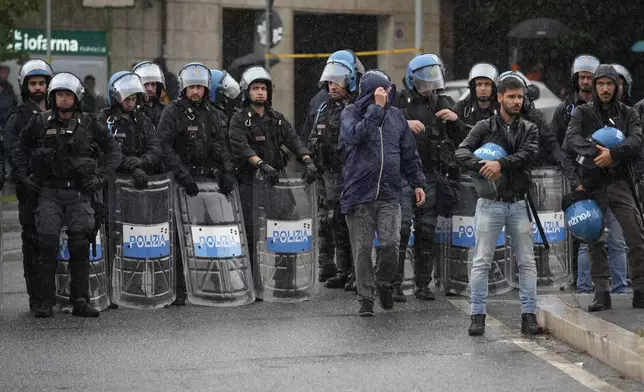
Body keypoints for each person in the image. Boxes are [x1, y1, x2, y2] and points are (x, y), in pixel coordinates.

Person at [14, 72, 122, 318]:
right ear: (53, 97)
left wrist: (100, 178)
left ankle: (81, 300)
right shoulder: (40, 122)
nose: (63, 99)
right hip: (49, 193)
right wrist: (25, 177)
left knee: (80, 246)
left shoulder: (90, 123)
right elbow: (20, 150)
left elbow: (113, 152)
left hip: (79, 194)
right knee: (47, 245)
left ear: (77, 97)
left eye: (67, 95)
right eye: (59, 95)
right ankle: (44, 301)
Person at [455, 75, 543, 336]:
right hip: (490, 203)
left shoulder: (530, 127)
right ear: (499, 98)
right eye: (512, 97)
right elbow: (461, 152)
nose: (517, 101)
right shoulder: (484, 126)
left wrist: (500, 164)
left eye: (520, 97)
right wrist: (482, 166)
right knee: (482, 260)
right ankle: (477, 315)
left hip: (518, 203)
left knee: (527, 261)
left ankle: (529, 317)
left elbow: (529, 154)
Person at [339, 69, 426, 317]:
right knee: (363, 249)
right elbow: (355, 135)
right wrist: (375, 110)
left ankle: (384, 282)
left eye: (388, 91)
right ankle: (366, 298)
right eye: (381, 90)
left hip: (389, 193)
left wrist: (418, 182)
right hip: (359, 194)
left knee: (390, 244)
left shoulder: (397, 117)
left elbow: (409, 153)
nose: (387, 95)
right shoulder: (351, 112)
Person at [561, 64, 644, 312]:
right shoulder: (582, 113)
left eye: (610, 84)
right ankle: (601, 293)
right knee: (593, 238)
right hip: (591, 183)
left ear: (617, 87)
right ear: (594, 87)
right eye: (601, 84)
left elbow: (637, 141)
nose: (605, 88)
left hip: (620, 181)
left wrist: (613, 154)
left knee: (635, 235)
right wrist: (598, 151)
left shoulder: (629, 113)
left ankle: (640, 289)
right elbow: (572, 139)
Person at [229, 66, 317, 295]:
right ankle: (252, 284)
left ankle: (284, 280)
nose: (260, 93)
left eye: (263, 88)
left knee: (287, 226)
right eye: (255, 88)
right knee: (250, 233)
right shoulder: (239, 119)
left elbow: (294, 140)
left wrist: (307, 160)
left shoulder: (276, 119)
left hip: (276, 180)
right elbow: (240, 145)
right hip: (250, 181)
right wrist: (259, 163)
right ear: (246, 91)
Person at [157, 62, 237, 305]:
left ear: (206, 89)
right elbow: (164, 146)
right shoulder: (172, 112)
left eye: (200, 88)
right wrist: (183, 175)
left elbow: (221, 145)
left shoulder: (213, 114)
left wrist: (227, 171)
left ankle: (212, 281)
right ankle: (179, 288)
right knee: (180, 236)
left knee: (210, 232)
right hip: (182, 182)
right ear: (183, 88)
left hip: (207, 181)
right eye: (191, 88)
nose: (195, 92)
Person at [395, 54, 465, 301]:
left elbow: (464, 137)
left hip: (431, 175)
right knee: (402, 229)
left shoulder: (443, 101)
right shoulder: (400, 100)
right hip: (404, 175)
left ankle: (422, 284)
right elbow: (384, 123)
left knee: (426, 230)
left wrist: (455, 120)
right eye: (424, 80)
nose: (429, 85)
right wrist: (405, 123)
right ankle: (395, 284)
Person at [307, 50, 361, 289]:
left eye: (337, 81)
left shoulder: (357, 106)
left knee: (355, 225)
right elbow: (311, 136)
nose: (332, 86)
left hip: (351, 175)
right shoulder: (322, 108)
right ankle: (343, 270)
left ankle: (357, 274)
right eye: (329, 82)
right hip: (330, 175)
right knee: (336, 224)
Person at [2, 59, 53, 310]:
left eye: (41, 83)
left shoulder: (59, 112)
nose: (38, 88)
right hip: (29, 187)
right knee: (32, 241)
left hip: (55, 187)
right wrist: (26, 178)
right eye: (33, 83)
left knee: (52, 241)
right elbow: (13, 152)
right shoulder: (17, 118)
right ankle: (37, 298)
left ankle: (57, 294)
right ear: (25, 86)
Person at [98, 71, 162, 188]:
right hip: (111, 182)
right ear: (115, 97)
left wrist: (142, 161)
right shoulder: (104, 119)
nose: (130, 103)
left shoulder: (142, 120)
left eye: (133, 99)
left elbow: (156, 148)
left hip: (142, 180)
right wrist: (131, 168)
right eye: (127, 99)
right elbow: (103, 151)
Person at [453, 62, 500, 129]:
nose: (483, 89)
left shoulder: (502, 109)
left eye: (487, 84)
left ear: (494, 87)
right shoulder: (461, 108)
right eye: (479, 84)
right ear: (473, 87)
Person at [132, 61, 167, 125]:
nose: (150, 89)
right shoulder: (131, 111)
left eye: (153, 84)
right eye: (146, 84)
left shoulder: (166, 111)